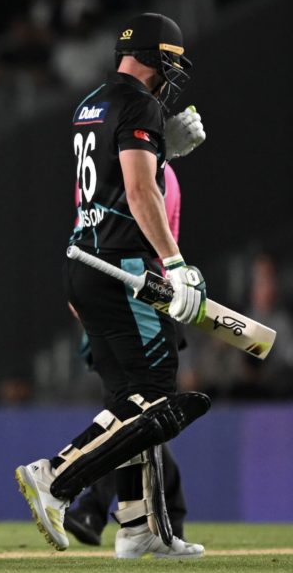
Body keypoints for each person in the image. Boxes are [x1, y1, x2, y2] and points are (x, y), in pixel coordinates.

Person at [15, 13, 211, 560]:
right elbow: (139, 189)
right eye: (170, 60)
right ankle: (57, 475)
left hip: (86, 258)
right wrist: (173, 262)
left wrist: (160, 150)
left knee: (128, 400)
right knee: (155, 395)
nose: (172, 74)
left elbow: (105, 186)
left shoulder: (91, 103)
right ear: (156, 56)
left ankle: (137, 523)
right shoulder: (140, 104)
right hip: (122, 264)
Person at [67, 158, 202, 546]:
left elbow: (85, 226)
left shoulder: (95, 173)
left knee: (134, 413)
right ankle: (73, 490)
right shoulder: (163, 178)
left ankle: (125, 517)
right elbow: (161, 255)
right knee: (142, 414)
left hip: (102, 295)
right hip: (137, 305)